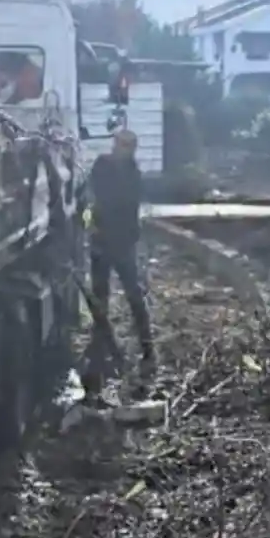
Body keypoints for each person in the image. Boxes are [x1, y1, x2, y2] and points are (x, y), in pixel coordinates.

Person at [84, 127, 154, 389]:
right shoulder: (101, 166)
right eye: (122, 144)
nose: (125, 149)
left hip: (123, 243)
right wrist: (91, 227)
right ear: (115, 144)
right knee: (100, 297)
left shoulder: (134, 173)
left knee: (134, 295)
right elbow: (89, 200)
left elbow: (134, 208)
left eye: (129, 145)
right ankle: (101, 346)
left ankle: (147, 348)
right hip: (102, 241)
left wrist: (133, 238)